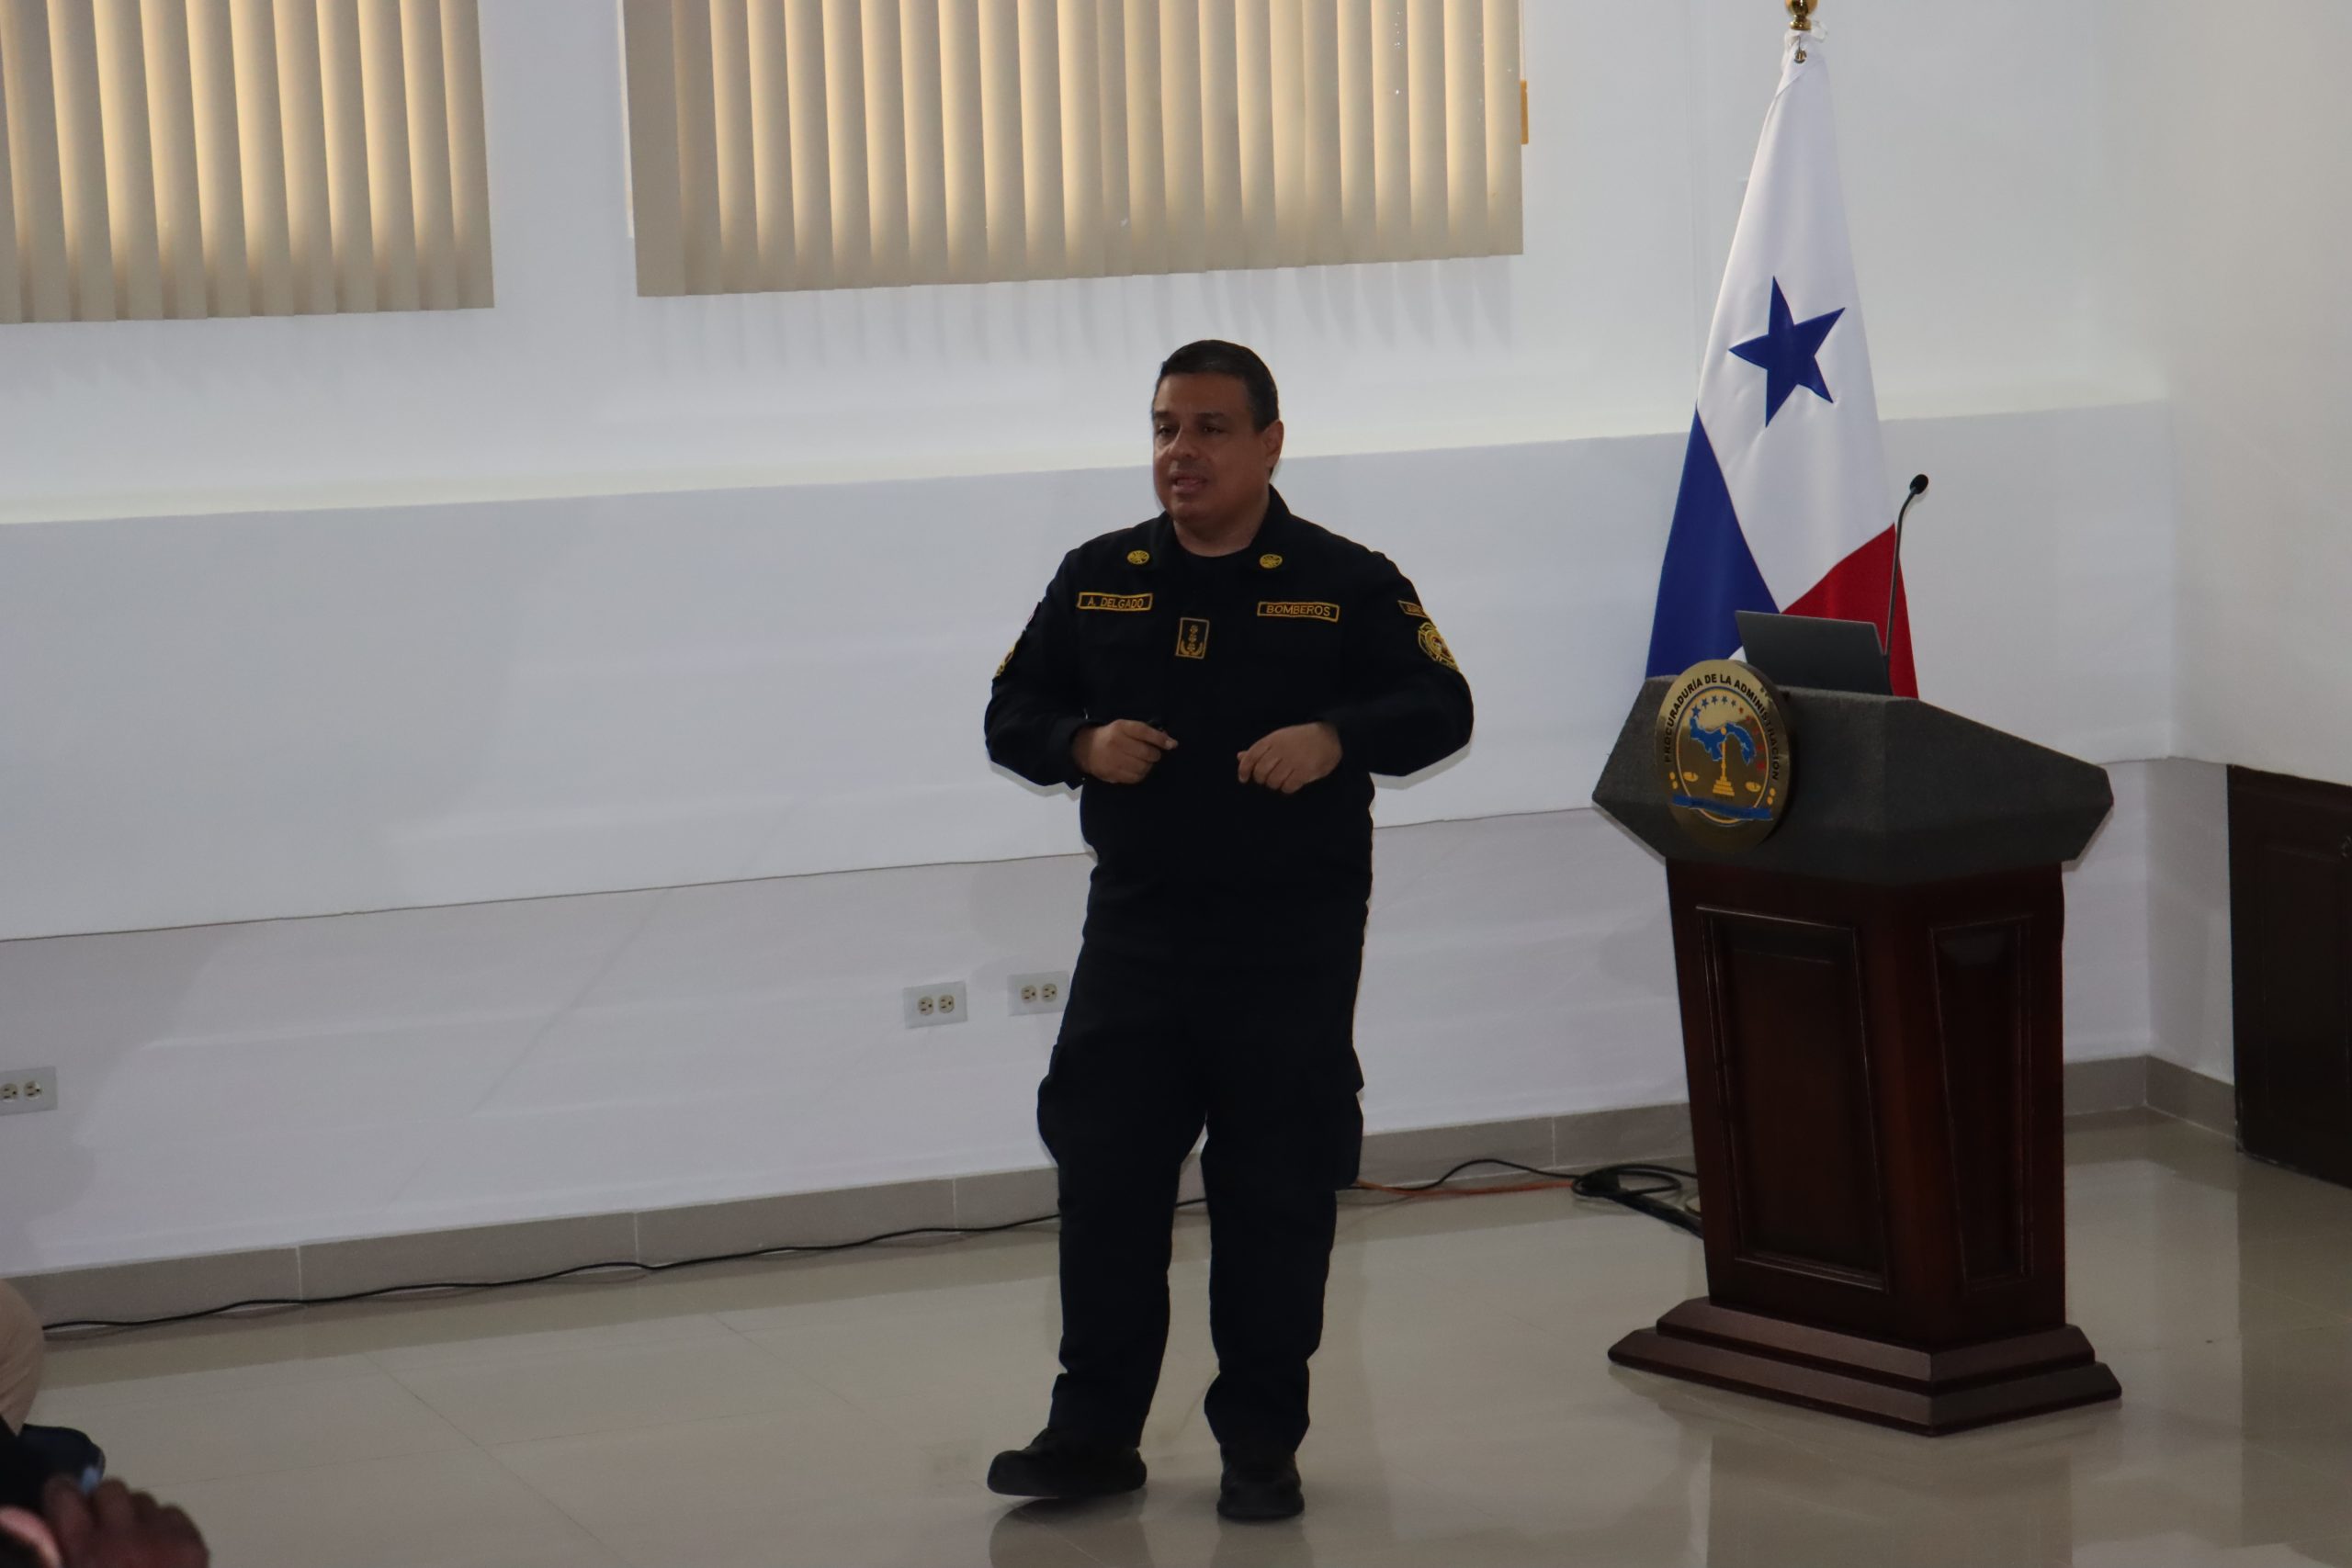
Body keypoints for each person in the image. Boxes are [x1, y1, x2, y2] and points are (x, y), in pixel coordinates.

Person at [983, 340, 1473, 1522]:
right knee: (1107, 1186)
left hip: (1286, 945)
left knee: (1274, 1196)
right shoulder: (1100, 575)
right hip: (1137, 937)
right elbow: (1012, 708)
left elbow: (1440, 707)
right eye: (1164, 428)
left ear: (1269, 443)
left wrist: (1337, 737)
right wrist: (1078, 745)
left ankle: (1260, 1444)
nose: (1179, 452)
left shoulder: (1345, 580)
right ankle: (1091, 1436)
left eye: (1208, 428)